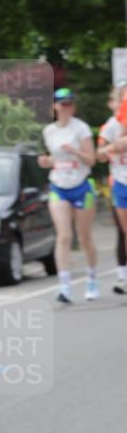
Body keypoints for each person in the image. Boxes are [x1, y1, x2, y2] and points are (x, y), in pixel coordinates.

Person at [38, 87, 97, 303]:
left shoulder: (81, 128)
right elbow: (53, 158)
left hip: (81, 185)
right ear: (55, 106)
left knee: (84, 238)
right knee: (63, 236)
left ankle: (92, 279)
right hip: (59, 186)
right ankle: (65, 287)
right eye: (63, 104)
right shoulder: (49, 131)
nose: (67, 108)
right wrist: (46, 162)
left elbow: (91, 160)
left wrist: (75, 151)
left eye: (70, 104)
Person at [98, 82, 127, 293]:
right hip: (120, 181)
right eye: (124, 99)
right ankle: (123, 275)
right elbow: (99, 155)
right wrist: (112, 148)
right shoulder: (110, 126)